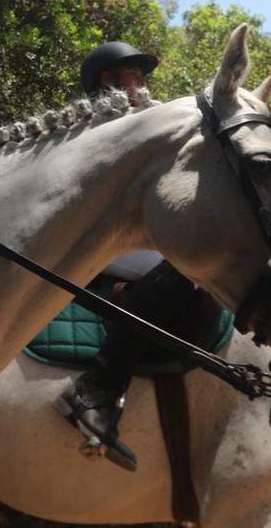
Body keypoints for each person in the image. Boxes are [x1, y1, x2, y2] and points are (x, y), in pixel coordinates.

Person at [55, 41, 218, 472]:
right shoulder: (88, 131)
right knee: (187, 269)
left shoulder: (147, 128)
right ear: (105, 82)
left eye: (140, 77)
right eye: (131, 76)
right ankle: (96, 388)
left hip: (145, 251)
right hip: (102, 253)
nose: (139, 84)